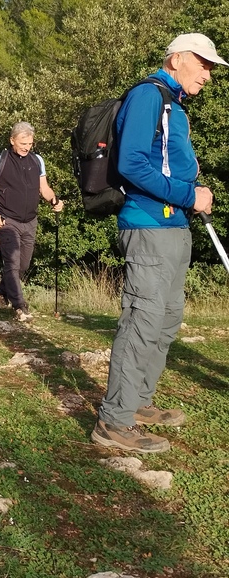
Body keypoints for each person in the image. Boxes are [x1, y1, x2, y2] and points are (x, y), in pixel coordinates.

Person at [92, 32, 226, 454]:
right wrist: (189, 195)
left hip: (174, 227)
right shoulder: (148, 96)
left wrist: (192, 193)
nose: (208, 74)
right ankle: (114, 421)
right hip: (148, 226)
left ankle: (138, 403)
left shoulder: (174, 104)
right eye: (203, 64)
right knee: (142, 322)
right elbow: (131, 163)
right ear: (177, 58)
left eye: (211, 67)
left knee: (166, 321)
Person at [0, 122, 63, 321]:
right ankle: (19, 306)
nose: (27, 147)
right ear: (12, 140)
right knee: (12, 262)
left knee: (23, 264)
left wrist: (54, 200)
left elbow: (44, 188)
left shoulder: (37, 160)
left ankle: (0, 291)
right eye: (23, 143)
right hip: (7, 220)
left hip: (30, 220)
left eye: (30, 144)